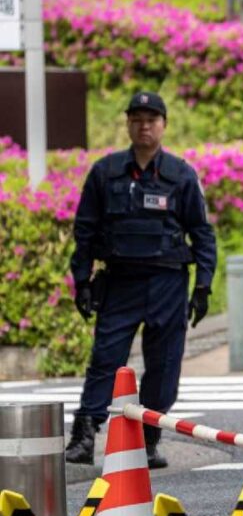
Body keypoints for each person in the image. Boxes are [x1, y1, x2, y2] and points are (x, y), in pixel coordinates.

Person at [67, 92, 217, 469]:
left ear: (163, 125)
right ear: (128, 123)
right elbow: (84, 232)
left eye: (151, 119)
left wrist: (203, 286)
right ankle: (84, 434)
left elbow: (202, 233)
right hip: (120, 282)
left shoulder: (181, 174)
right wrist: (82, 281)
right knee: (106, 359)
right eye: (136, 118)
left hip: (167, 283)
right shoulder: (105, 172)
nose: (144, 125)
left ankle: (149, 438)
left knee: (164, 363)